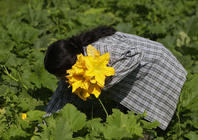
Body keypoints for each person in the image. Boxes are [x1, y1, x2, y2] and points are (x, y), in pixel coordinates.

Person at [44, 26, 187, 130]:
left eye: (60, 75)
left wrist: (102, 81)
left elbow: (135, 54)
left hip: (158, 65)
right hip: (141, 70)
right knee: (128, 119)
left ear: (68, 66)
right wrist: (41, 125)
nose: (61, 79)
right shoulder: (74, 68)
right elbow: (61, 96)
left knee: (143, 120)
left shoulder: (98, 50)